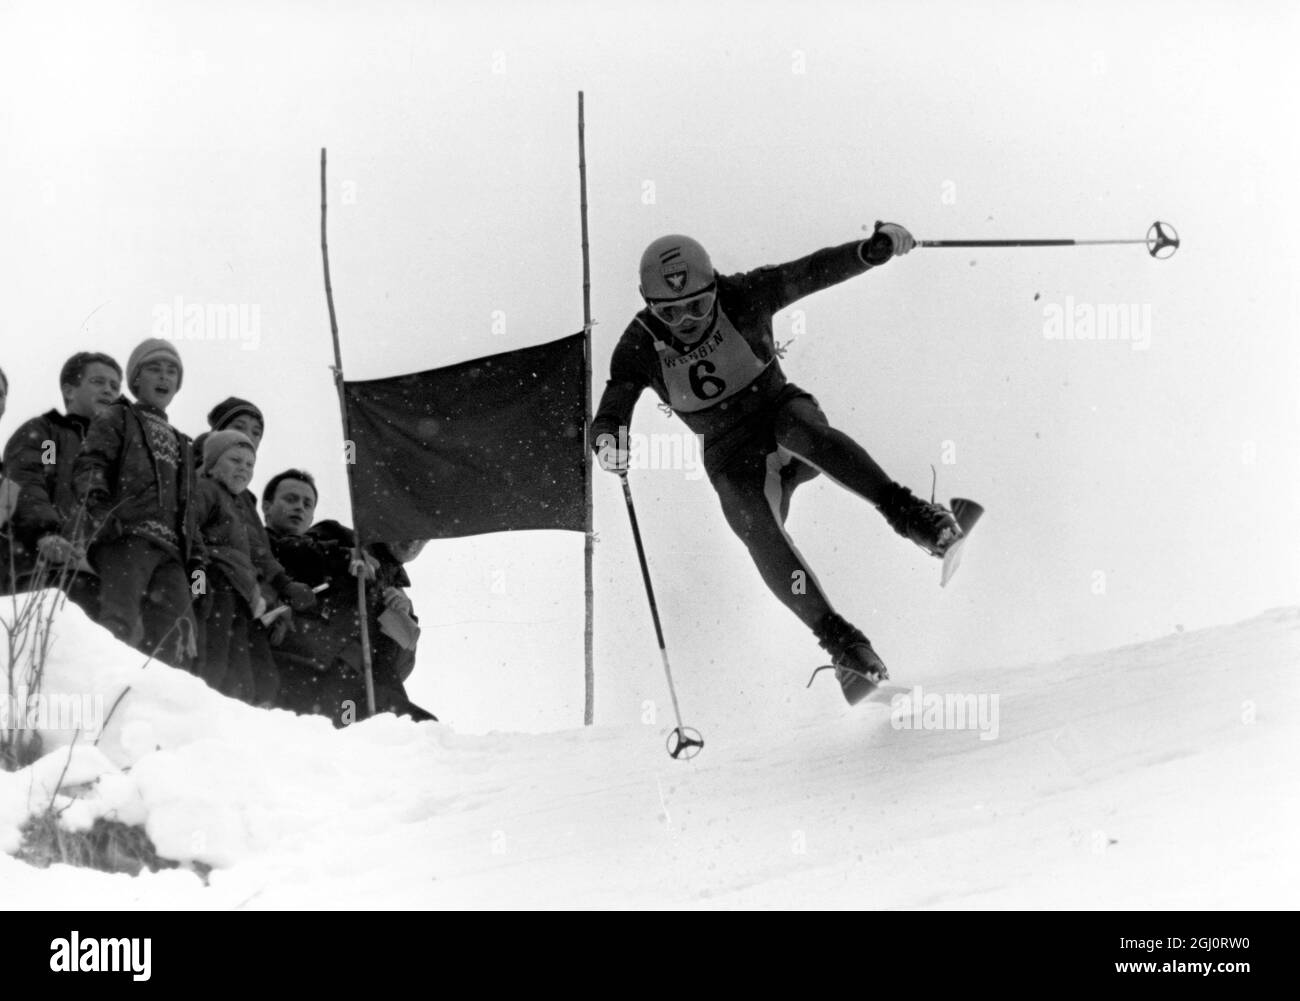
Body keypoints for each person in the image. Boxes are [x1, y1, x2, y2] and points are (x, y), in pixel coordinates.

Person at [591, 226, 963, 704]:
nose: (685, 321)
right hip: (731, 455)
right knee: (751, 524)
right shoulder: (640, 343)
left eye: (697, 306)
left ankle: (914, 517)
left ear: (714, 289)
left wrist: (870, 252)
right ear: (649, 306)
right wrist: (608, 441)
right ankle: (847, 648)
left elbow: (811, 271)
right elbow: (614, 403)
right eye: (670, 312)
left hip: (779, 414)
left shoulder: (743, 294)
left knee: (799, 432)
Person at [261, 469, 435, 724]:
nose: (412, 544)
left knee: (415, 733)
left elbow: (399, 667)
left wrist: (405, 619)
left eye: (422, 539)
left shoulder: (398, 590)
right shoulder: (339, 536)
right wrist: (345, 557)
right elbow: (290, 552)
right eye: (407, 532)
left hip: (362, 686)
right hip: (310, 666)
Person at [72, 338, 199, 668]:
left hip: (171, 553)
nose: (164, 377)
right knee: (118, 624)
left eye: (172, 371)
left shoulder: (184, 442)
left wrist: (196, 559)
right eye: (154, 369)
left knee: (178, 638)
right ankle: (105, 699)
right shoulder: (119, 417)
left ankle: (159, 712)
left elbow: (190, 507)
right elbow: (92, 465)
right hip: (127, 538)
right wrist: (101, 516)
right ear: (136, 379)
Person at [191, 430, 316, 706]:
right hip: (218, 582)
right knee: (217, 658)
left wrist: (281, 585)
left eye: (249, 464)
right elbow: (189, 528)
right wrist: (198, 575)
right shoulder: (206, 490)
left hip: (245, 595)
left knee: (259, 677)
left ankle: (248, 722)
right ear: (211, 463)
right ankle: (204, 712)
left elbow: (258, 553)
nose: (243, 469)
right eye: (235, 460)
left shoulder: (239, 506)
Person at [1, 352, 122, 606]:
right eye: (98, 382)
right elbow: (30, 479)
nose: (108, 391)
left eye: (114, 386)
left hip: (105, 577)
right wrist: (45, 530)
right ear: (69, 391)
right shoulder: (49, 435)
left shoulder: (120, 455)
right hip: (47, 567)